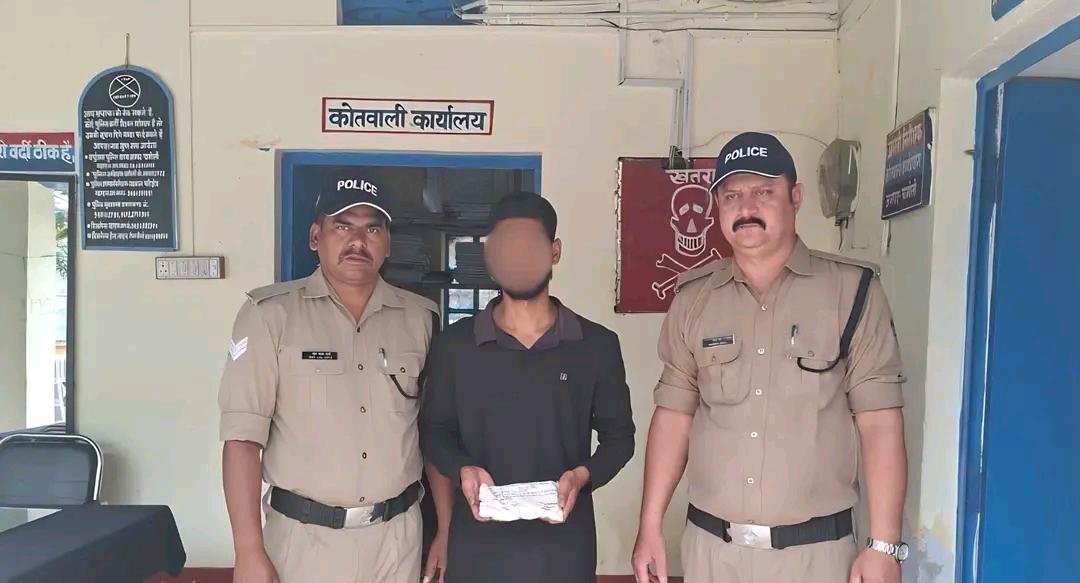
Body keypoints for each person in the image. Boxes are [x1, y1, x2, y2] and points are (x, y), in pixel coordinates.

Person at [631, 132, 910, 583]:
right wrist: (649, 525)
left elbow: (879, 423)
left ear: (795, 196)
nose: (746, 207)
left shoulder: (851, 291)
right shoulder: (693, 299)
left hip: (817, 557)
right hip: (712, 554)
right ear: (717, 206)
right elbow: (673, 418)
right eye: (731, 195)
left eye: (763, 192)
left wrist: (884, 546)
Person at [217, 170, 453, 583]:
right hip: (304, 543)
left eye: (372, 229)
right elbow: (242, 440)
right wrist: (248, 550)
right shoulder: (270, 316)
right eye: (342, 226)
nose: (357, 241)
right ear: (315, 237)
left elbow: (435, 435)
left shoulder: (421, 319)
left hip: (397, 541)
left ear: (387, 243)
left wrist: (446, 531)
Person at [420, 192, 636, 583]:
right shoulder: (455, 346)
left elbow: (619, 439)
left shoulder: (595, 346)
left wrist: (583, 476)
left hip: (564, 551)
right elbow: (434, 430)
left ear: (555, 251)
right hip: (476, 550)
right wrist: (461, 469)